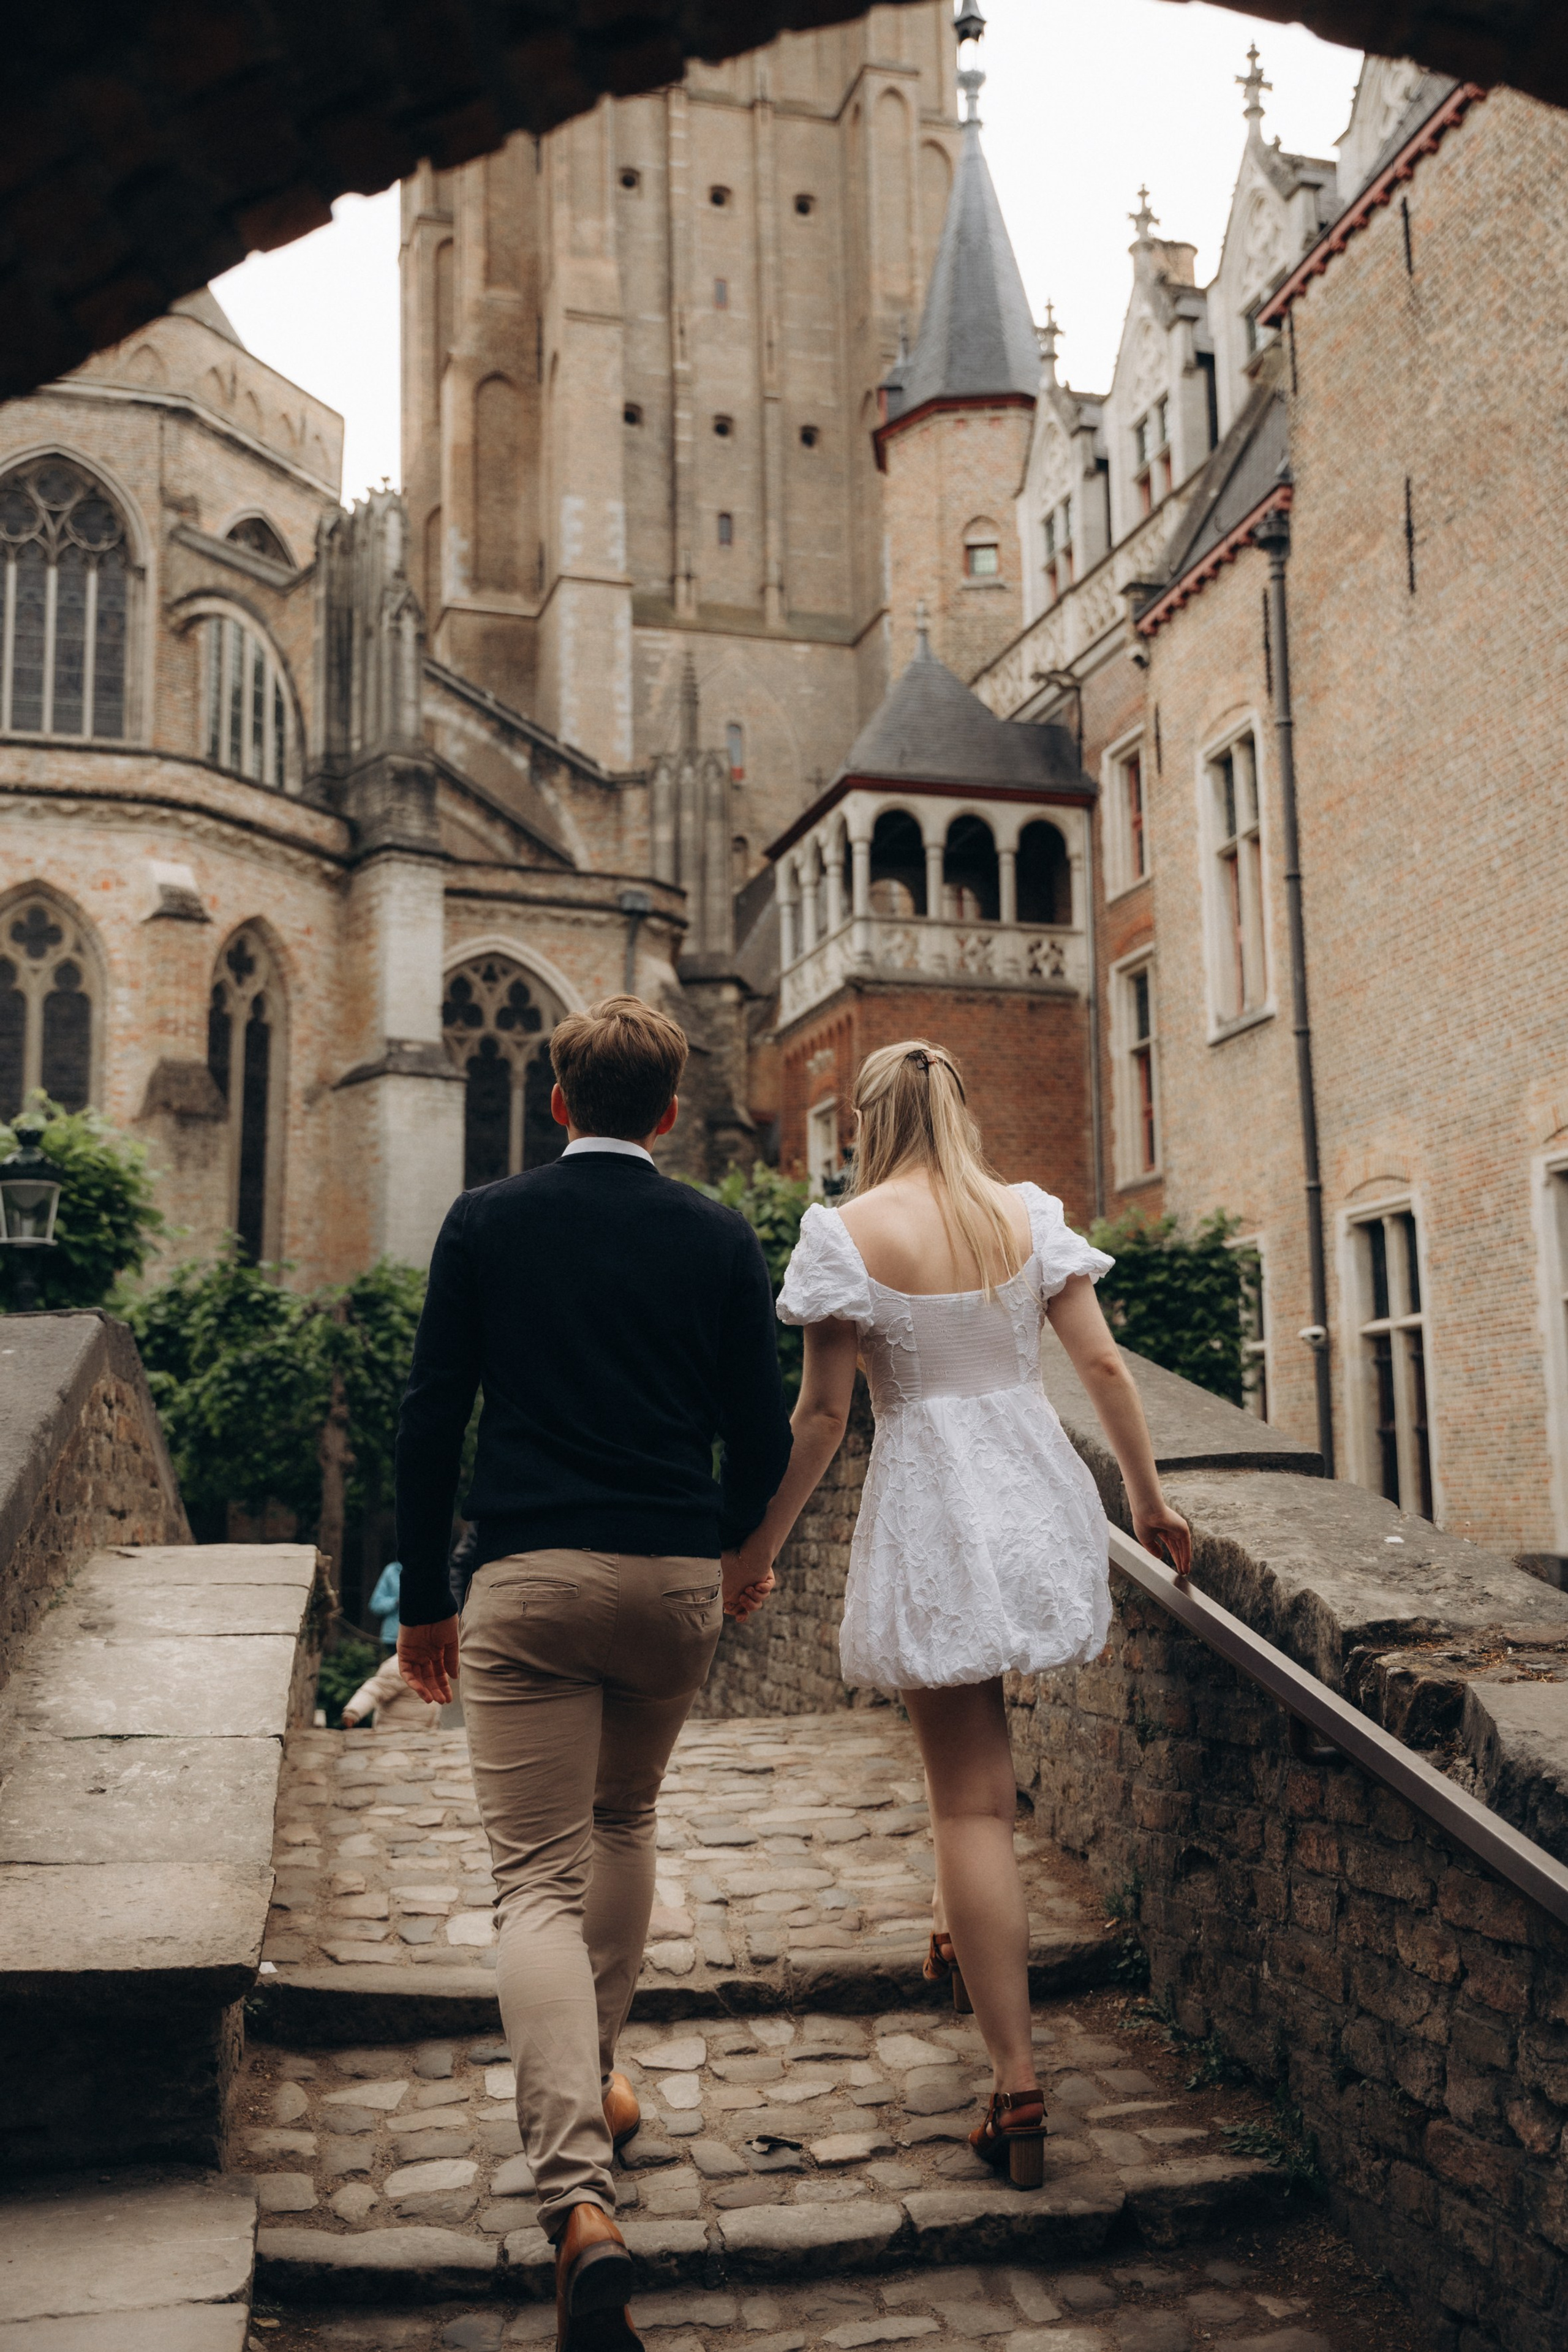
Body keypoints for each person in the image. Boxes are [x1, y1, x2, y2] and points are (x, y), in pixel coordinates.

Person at [393, 997, 791, 2352]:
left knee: (532, 1879)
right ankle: (600, 2077)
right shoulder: (719, 1231)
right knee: (622, 1826)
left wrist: (421, 1602)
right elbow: (763, 1425)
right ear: (671, 1115)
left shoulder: (486, 1223)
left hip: (528, 1580)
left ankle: (576, 2198)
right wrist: (732, 1554)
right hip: (671, 1581)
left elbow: (431, 1410)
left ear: (557, 1102)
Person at [726, 1040, 1191, 2188]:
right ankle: (960, 1931)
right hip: (1034, 1499)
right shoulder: (1029, 1215)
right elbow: (1106, 1369)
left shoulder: (845, 1232)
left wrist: (756, 1550)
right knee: (988, 1778)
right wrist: (1147, 1501)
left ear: (870, 1123)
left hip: (935, 1505)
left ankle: (1018, 2081)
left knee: (971, 1806)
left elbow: (824, 1419)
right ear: (962, 1109)